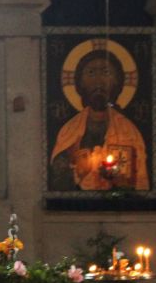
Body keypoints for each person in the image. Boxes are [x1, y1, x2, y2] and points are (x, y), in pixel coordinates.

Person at [50, 50, 149, 191]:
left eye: (106, 73)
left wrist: (115, 177)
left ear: (117, 82)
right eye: (91, 73)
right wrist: (76, 171)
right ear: (80, 83)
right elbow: (57, 180)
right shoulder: (69, 130)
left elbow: (139, 183)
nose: (98, 81)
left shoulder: (129, 131)